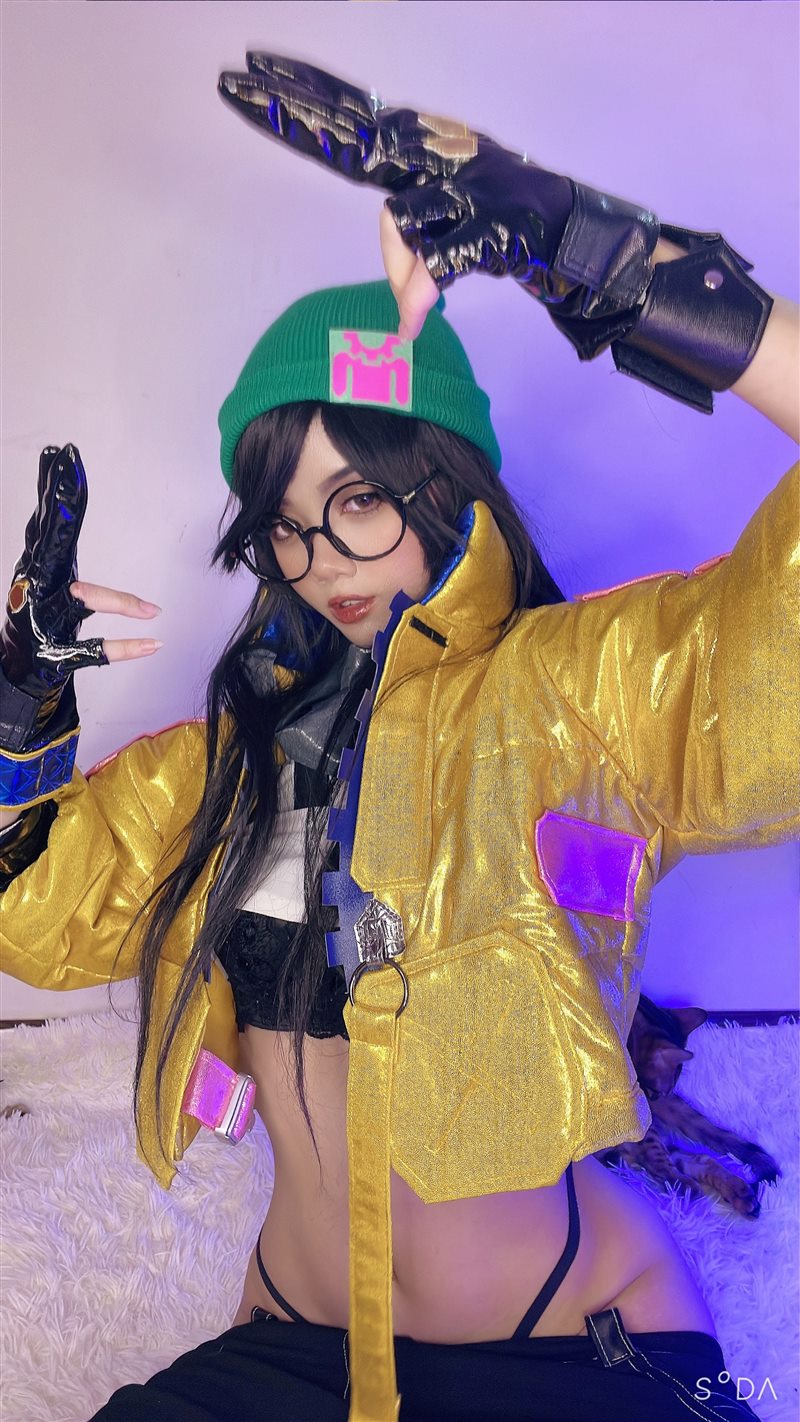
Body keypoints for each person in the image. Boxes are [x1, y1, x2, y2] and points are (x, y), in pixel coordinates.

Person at [1, 53, 797, 1422]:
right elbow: (30, 915)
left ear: (443, 482)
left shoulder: (575, 695)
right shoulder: (227, 764)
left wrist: (609, 260)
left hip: (571, 1338)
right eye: (287, 523)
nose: (321, 558)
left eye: (360, 498)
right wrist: (19, 711)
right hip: (295, 1341)